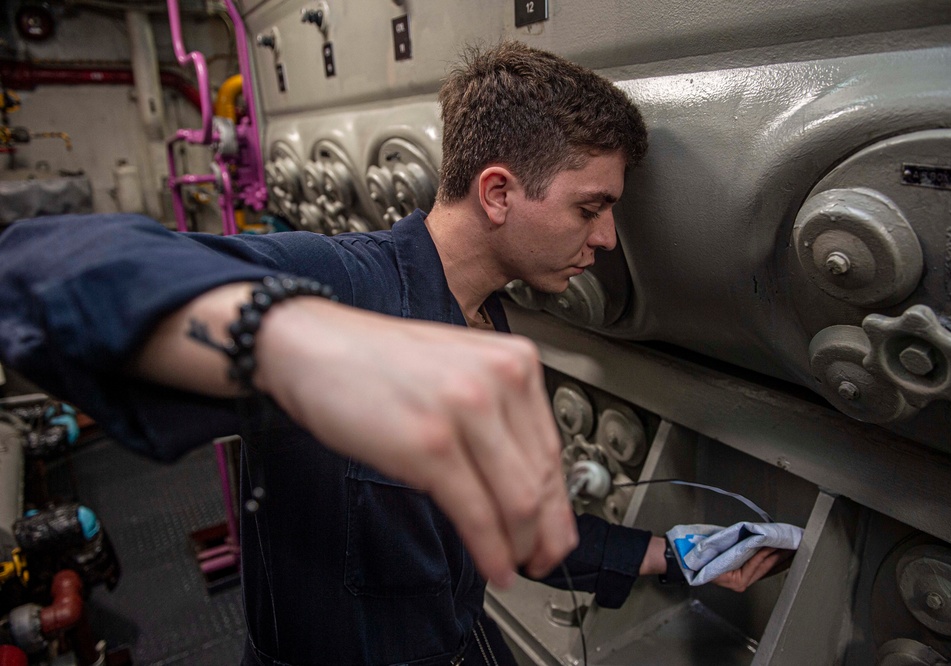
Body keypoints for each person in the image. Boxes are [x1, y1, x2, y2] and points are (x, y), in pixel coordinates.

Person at [0, 42, 787, 666]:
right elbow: (38, 266)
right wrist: (297, 345)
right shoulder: (335, 282)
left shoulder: (490, 322)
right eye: (592, 207)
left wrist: (670, 552)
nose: (607, 238)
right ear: (499, 191)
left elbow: (510, 529)